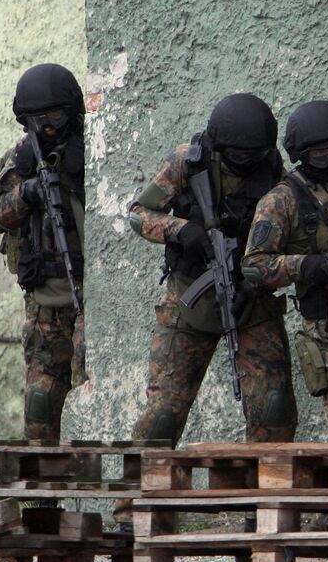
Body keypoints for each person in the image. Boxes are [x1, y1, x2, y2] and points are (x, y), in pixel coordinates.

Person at [126, 92, 297, 446]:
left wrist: (257, 281)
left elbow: (288, 231)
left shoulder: (273, 170)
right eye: (239, 157)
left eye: (255, 155)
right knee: (162, 417)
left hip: (252, 301)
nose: (247, 162)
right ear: (219, 146)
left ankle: (264, 499)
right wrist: (180, 229)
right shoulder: (187, 162)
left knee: (274, 411)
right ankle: (135, 501)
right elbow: (139, 214)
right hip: (189, 298)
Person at [0, 63, 87, 439]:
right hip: (43, 298)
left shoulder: (95, 151)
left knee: (88, 389)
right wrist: (25, 194)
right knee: (40, 403)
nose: (48, 127)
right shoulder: (20, 160)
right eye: (38, 119)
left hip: (91, 295)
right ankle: (43, 497)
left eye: (55, 116)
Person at [244, 101, 328, 440]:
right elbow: (255, 265)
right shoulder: (283, 199)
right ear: (302, 155)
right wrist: (305, 265)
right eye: (321, 153)